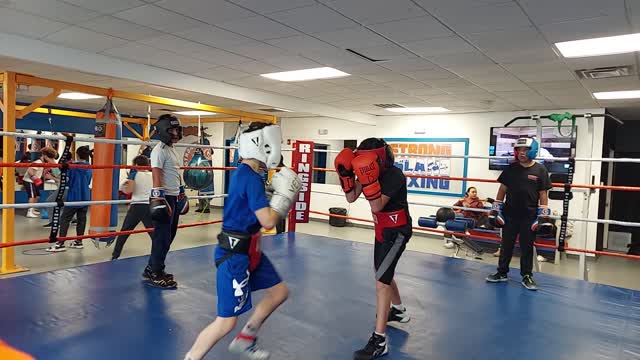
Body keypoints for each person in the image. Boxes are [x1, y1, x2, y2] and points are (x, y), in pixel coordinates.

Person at [184, 122, 301, 360]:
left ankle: (246, 339)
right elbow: (268, 221)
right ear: (262, 144)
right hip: (235, 256)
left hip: (251, 250)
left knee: (279, 292)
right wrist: (284, 198)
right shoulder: (250, 178)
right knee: (225, 323)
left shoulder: (249, 175)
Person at [335, 139, 411, 360]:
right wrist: (347, 175)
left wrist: (368, 178)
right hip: (381, 230)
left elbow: (377, 205)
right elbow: (351, 197)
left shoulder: (394, 175)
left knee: (381, 279)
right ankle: (397, 310)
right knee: (383, 272)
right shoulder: (367, 169)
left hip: (397, 231)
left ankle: (379, 340)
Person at [486, 137, 553, 291]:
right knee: (506, 245)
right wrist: (496, 209)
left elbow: (543, 193)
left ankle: (527, 275)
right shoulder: (511, 168)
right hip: (510, 214)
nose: (522, 153)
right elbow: (502, 189)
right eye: (519, 150)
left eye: (525, 150)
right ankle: (501, 273)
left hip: (529, 216)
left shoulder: (540, 170)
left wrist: (542, 214)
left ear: (532, 151)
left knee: (527, 247)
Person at [145, 114, 189, 289]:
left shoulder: (171, 149)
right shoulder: (159, 150)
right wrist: (159, 197)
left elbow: (176, 172)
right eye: (172, 130)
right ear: (164, 131)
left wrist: (182, 191)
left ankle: (152, 267)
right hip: (164, 197)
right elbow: (156, 174)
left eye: (177, 129)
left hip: (174, 196)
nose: (176, 133)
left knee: (169, 236)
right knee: (162, 237)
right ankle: (156, 273)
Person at [47, 145, 92, 252]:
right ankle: (79, 241)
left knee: (65, 219)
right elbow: (88, 181)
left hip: (74, 196)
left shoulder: (73, 167)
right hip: (85, 196)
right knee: (82, 219)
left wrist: (53, 174)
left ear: (77, 155)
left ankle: (61, 243)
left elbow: (65, 179)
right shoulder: (90, 167)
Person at [110, 155, 153, 260]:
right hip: (149, 205)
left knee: (124, 232)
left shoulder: (134, 174)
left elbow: (129, 190)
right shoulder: (153, 175)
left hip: (137, 206)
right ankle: (158, 254)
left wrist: (123, 185)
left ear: (137, 165)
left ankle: (115, 256)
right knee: (154, 233)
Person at [23, 146, 57, 218]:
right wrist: (35, 178)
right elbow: (30, 171)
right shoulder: (38, 162)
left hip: (34, 182)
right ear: (44, 156)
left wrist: (46, 170)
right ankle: (29, 212)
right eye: (49, 158)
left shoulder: (43, 163)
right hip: (29, 181)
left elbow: (41, 173)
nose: (50, 160)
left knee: (37, 196)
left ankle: (32, 209)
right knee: (32, 196)